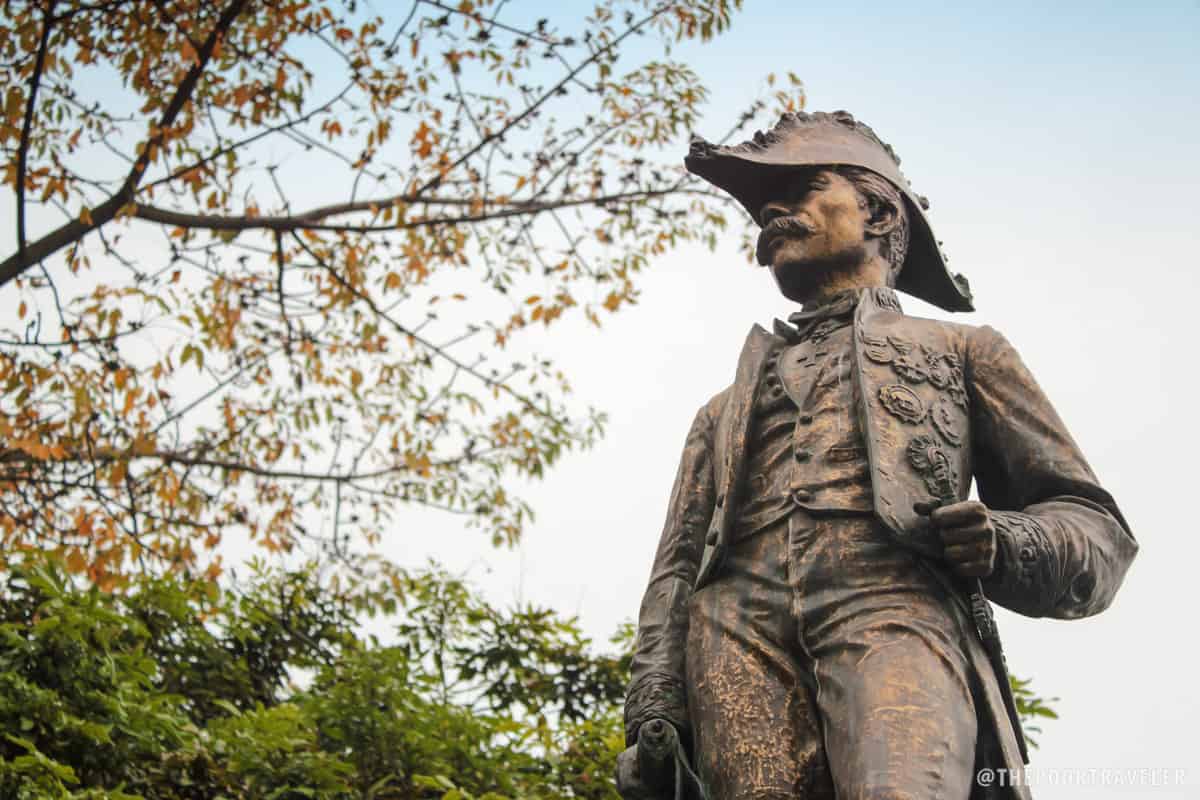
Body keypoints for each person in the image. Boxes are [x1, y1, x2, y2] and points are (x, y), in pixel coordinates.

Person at [621, 111, 1138, 800]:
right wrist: (655, 701)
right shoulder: (720, 411)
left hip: (895, 606)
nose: (774, 210)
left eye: (806, 187)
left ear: (877, 211)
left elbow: (1094, 524)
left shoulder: (962, 351)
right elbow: (678, 569)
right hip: (734, 634)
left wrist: (1005, 541)